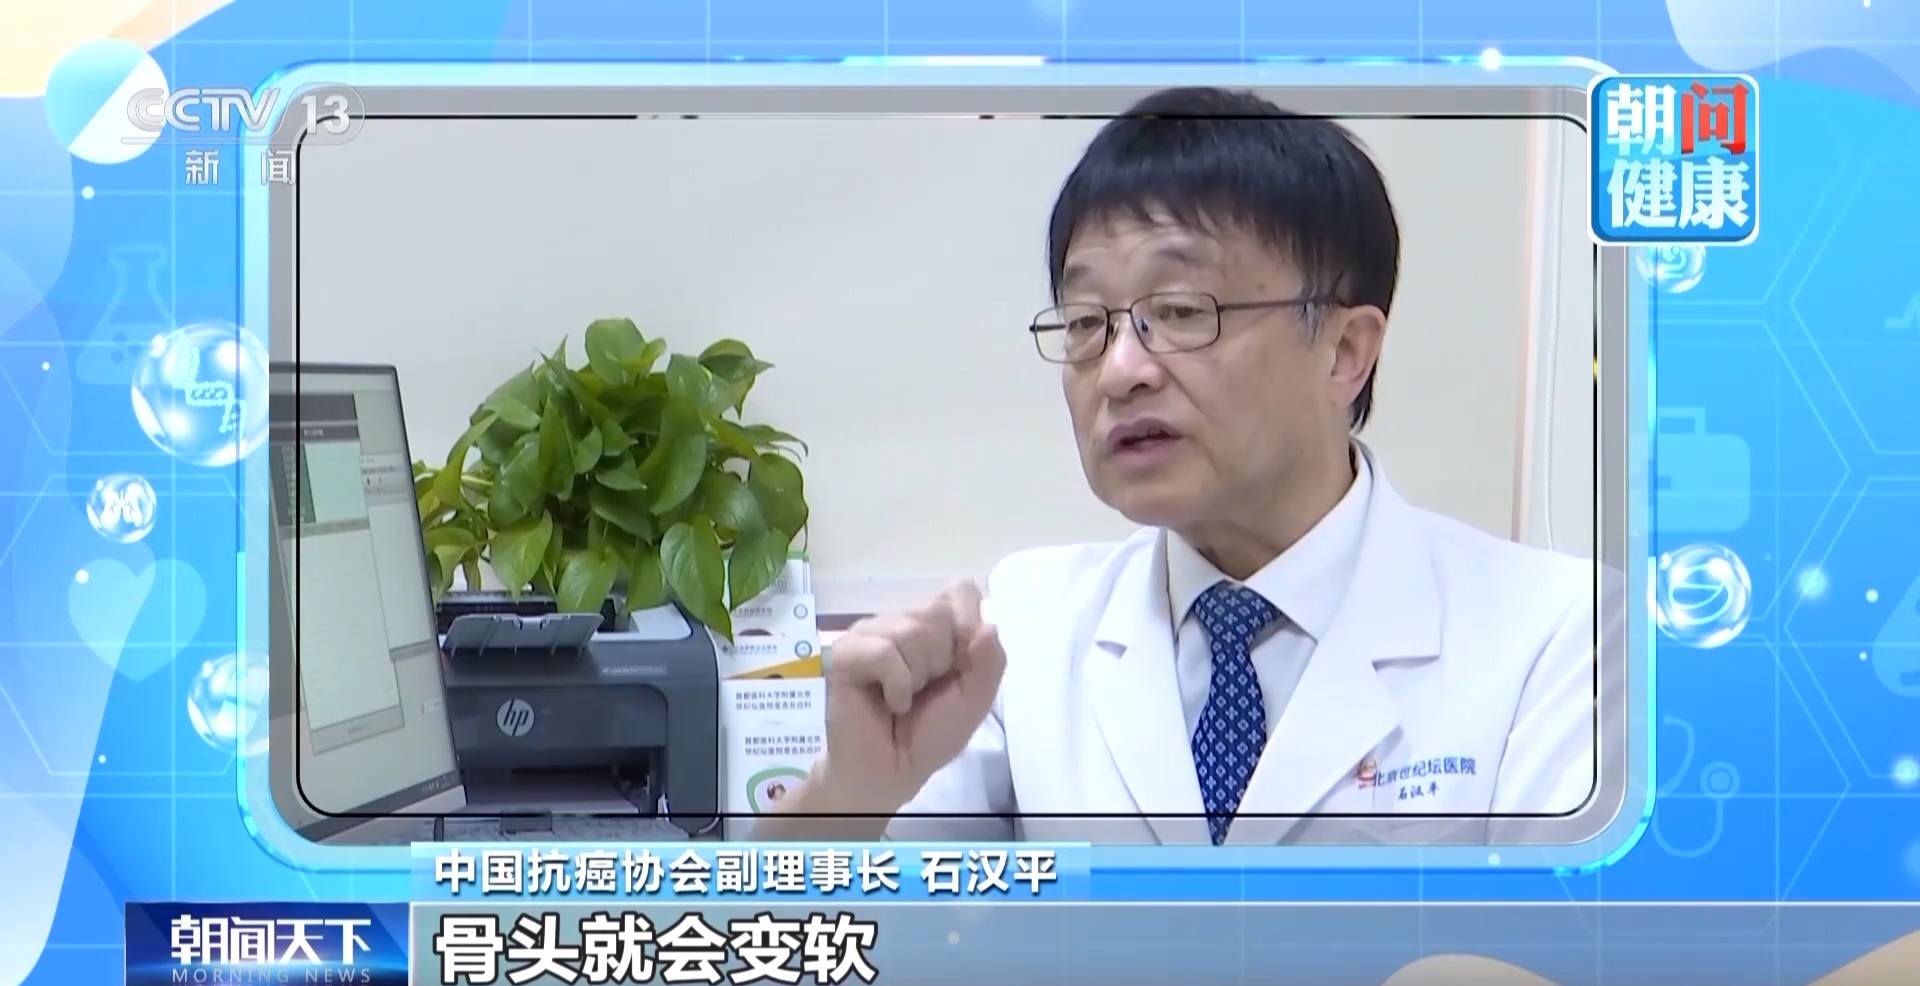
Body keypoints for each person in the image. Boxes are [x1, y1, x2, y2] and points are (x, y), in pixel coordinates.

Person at [759, 87, 1617, 846]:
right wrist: (853, 793)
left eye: (1179, 311)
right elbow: (800, 938)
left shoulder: (1560, 636)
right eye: (1086, 322)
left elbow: (1561, 945)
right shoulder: (1026, 625)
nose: (1120, 370)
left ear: (1345, 352)